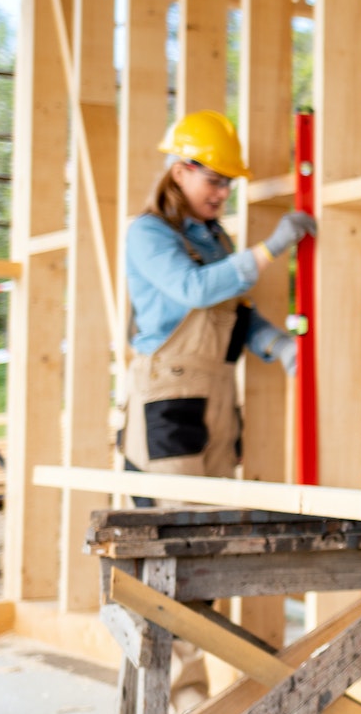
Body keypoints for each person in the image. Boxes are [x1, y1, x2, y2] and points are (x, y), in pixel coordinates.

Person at [122, 110, 314, 480]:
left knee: (216, 510)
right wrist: (270, 248)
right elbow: (194, 289)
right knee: (175, 514)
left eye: (228, 183)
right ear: (180, 172)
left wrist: (278, 344)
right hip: (169, 392)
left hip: (219, 391)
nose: (223, 193)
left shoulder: (215, 238)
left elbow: (231, 309)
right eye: (214, 181)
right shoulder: (149, 233)